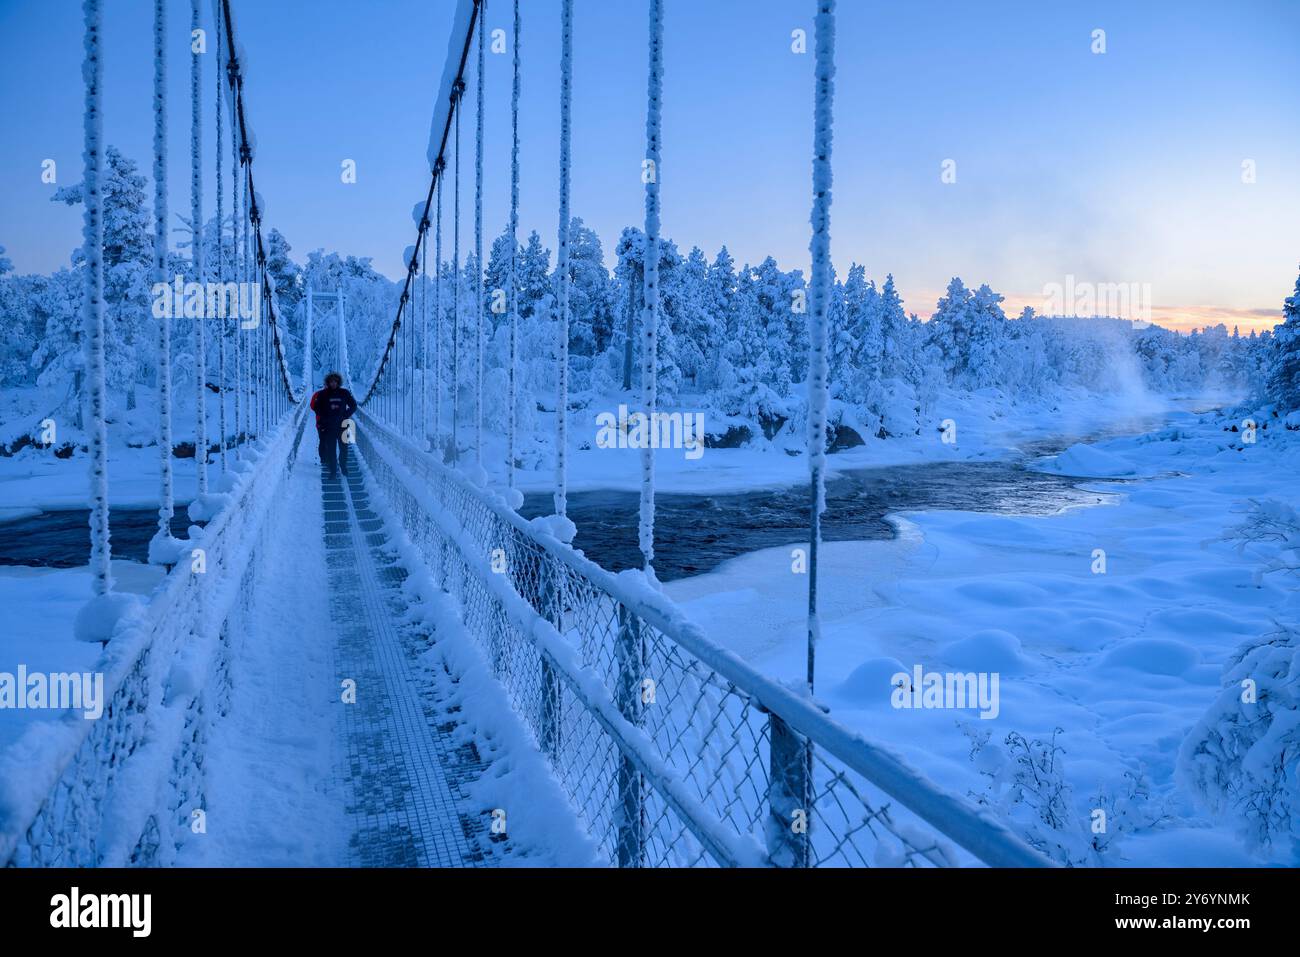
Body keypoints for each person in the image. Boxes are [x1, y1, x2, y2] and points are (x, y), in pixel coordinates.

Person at [309, 371, 358, 479]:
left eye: (335, 382)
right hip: (328, 426)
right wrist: (324, 418)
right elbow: (316, 408)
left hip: (343, 425)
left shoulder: (344, 393)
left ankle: (343, 467)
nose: (333, 384)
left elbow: (354, 405)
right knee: (331, 449)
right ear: (328, 382)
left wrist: (345, 415)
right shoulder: (322, 394)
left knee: (344, 449)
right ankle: (333, 471)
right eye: (331, 382)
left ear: (338, 382)